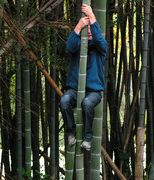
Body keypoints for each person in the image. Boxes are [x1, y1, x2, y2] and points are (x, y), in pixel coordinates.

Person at [60, 4, 107, 151]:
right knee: (64, 100)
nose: (89, 33)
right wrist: (78, 27)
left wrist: (92, 17)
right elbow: (69, 46)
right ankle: (71, 133)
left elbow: (99, 39)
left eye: (91, 30)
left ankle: (87, 138)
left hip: (93, 92)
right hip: (74, 89)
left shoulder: (100, 48)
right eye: (87, 30)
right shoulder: (78, 45)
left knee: (87, 103)